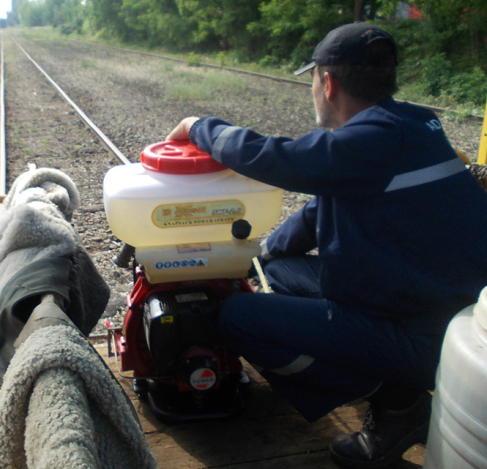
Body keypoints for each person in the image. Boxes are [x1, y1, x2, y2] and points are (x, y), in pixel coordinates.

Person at [166, 22, 487, 469]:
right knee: (275, 268)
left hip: (427, 339)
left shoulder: (373, 141)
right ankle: (378, 375)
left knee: (239, 318)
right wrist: (255, 257)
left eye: (313, 79)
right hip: (433, 303)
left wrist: (200, 127)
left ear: (327, 82)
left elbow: (277, 157)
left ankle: (398, 403)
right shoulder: (409, 125)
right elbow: (318, 213)